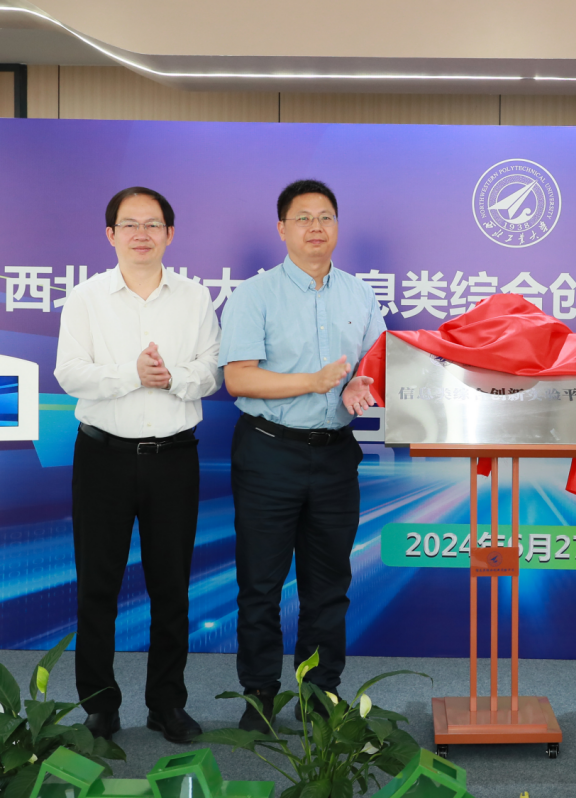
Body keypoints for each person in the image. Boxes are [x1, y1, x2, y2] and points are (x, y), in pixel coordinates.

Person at [54, 186, 222, 743]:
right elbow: (69, 373)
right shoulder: (86, 298)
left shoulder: (195, 298)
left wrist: (172, 377)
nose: (141, 234)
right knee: (97, 586)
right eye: (129, 224)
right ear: (111, 235)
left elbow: (211, 370)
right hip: (102, 456)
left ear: (170, 234)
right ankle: (100, 706)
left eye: (153, 224)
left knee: (171, 588)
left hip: (173, 458)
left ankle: (166, 703)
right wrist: (133, 374)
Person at [219, 179, 384, 732]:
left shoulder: (359, 295)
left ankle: (319, 694)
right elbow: (239, 378)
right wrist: (312, 381)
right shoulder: (255, 295)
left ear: (337, 226)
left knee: (328, 586)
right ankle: (259, 695)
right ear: (282, 229)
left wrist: (358, 383)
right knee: (261, 586)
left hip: (335, 456)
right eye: (303, 218)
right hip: (269, 453)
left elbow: (375, 365)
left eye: (326, 217)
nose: (316, 227)